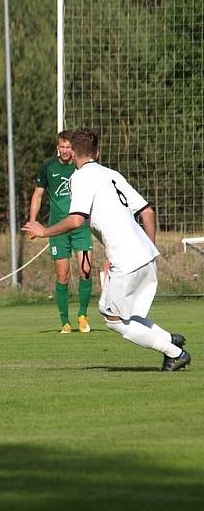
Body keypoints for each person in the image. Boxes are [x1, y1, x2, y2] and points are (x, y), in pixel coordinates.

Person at [23, 128, 191, 371]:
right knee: (122, 312)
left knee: (113, 319)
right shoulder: (112, 174)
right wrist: (148, 248)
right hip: (146, 253)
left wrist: (43, 231)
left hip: (128, 259)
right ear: (97, 152)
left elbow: (76, 220)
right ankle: (168, 339)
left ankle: (174, 352)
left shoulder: (80, 178)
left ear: (74, 154)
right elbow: (148, 212)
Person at [28, 130, 94, 334]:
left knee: (86, 270)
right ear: (58, 147)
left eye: (68, 147)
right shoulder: (48, 167)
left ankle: (82, 315)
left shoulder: (82, 167)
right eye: (62, 147)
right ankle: (65, 321)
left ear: (74, 148)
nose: (65, 151)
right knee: (62, 275)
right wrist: (32, 222)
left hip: (80, 226)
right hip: (57, 228)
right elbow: (38, 195)